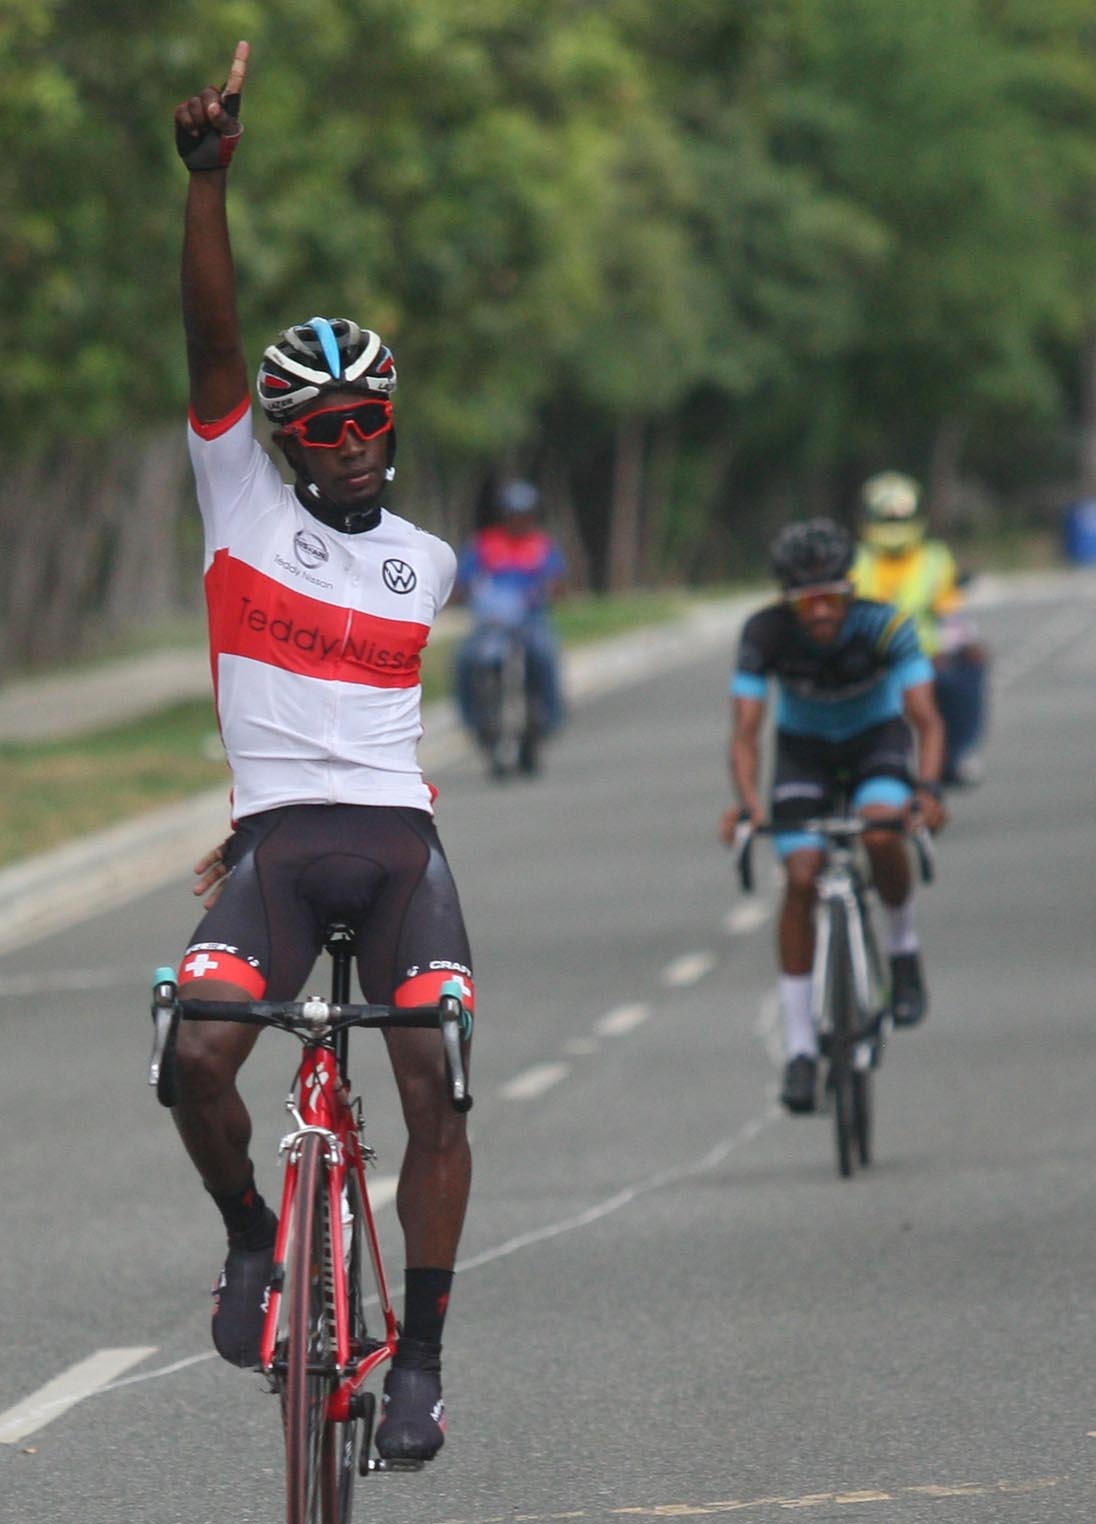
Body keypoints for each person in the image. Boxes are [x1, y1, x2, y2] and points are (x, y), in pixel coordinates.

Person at [171, 43, 472, 1464]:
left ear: (392, 424)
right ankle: (249, 1243)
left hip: (401, 850)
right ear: (282, 442)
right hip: (281, 848)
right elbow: (213, 349)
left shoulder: (434, 560)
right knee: (195, 1055)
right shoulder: (239, 506)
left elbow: (387, 738)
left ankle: (420, 1359)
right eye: (318, 428)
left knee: (434, 1079)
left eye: (365, 422)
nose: (346, 443)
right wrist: (209, 186)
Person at [720, 519, 947, 1115]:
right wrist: (748, 803)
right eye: (806, 602)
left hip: (877, 741)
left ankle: (903, 949)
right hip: (805, 754)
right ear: (785, 602)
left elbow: (926, 718)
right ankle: (800, 1049)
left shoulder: (886, 623)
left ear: (851, 590)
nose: (821, 613)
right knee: (800, 876)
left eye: (832, 599)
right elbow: (746, 731)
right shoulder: (764, 633)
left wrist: (927, 789)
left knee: (879, 828)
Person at [853, 471, 989, 785]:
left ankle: (956, 757)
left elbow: (949, 613)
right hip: (870, 660)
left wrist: (962, 645)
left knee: (966, 671)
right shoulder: (855, 561)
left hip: (926, 656)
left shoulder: (935, 557)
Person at [453, 479, 567, 772]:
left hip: (530, 620)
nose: (519, 519)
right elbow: (464, 581)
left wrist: (546, 591)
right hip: (491, 623)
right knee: (465, 660)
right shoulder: (485, 543)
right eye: (513, 513)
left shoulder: (541, 546)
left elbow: (557, 581)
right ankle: (472, 721)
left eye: (525, 513)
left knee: (544, 653)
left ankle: (550, 718)